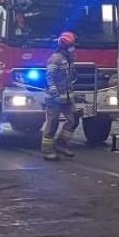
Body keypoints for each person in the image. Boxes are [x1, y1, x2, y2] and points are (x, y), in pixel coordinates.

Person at [40, 31, 81, 161]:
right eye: (72, 45)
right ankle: (47, 150)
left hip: (67, 98)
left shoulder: (69, 59)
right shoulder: (55, 59)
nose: (73, 48)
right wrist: (54, 94)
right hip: (54, 99)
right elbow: (49, 78)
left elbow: (70, 78)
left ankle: (61, 144)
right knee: (52, 124)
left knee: (73, 120)